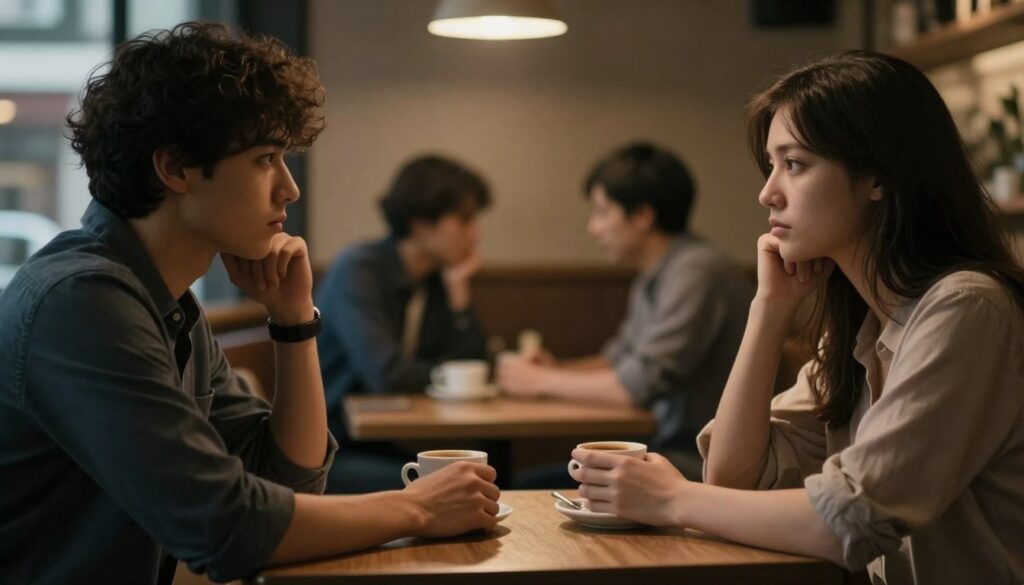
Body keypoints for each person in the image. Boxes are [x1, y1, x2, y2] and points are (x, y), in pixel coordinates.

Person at [0, 23, 499, 585]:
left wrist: (293, 323)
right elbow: (223, 527)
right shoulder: (83, 302)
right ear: (176, 168)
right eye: (266, 158)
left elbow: (286, 483)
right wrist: (418, 509)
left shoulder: (166, 302)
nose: (289, 188)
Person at [567, 51, 1024, 584]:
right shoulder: (865, 325)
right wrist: (771, 309)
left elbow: (847, 522)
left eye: (795, 164)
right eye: (772, 165)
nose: (768, 192)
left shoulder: (966, 308)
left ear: (877, 175)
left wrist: (671, 499)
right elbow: (733, 480)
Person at [498, 142, 752, 480]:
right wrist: (559, 368)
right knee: (527, 481)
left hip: (700, 461)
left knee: (525, 484)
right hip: (662, 448)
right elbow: (619, 358)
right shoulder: (657, 272)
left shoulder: (696, 272)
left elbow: (636, 385)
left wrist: (541, 382)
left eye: (603, 212)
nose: (593, 228)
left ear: (643, 216)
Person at [316, 155, 490, 492]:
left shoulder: (437, 279)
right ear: (421, 223)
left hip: (384, 443)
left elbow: (473, 367)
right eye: (465, 220)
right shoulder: (359, 270)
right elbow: (387, 375)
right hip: (331, 448)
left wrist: (459, 295)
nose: (476, 234)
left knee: (478, 469)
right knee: (458, 484)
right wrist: (447, 374)